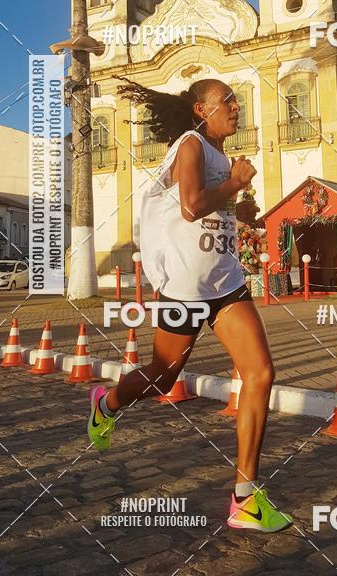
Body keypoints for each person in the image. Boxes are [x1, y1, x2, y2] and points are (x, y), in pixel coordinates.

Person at [87, 77, 292, 533]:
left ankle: (245, 498)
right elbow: (191, 206)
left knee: (260, 373)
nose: (237, 107)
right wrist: (235, 182)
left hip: (225, 283)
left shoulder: (219, 154)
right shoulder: (191, 145)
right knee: (162, 378)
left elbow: (212, 214)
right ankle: (108, 402)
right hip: (184, 288)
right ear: (202, 110)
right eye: (228, 102)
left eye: (237, 101)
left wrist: (237, 208)